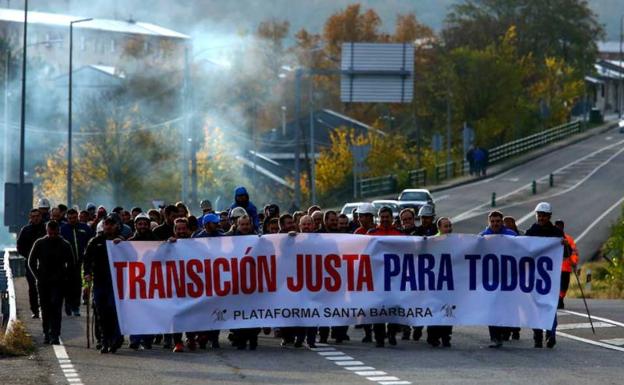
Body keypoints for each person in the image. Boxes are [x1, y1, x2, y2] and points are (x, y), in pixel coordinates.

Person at [525, 202, 570, 349]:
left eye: (544, 215)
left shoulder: (557, 233)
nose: (541, 218)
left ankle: (551, 334)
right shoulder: (531, 231)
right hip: (534, 276)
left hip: (551, 277)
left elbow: (565, 254)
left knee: (550, 306)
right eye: (539, 215)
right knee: (535, 307)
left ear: (549, 216)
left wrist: (565, 245)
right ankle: (537, 336)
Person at [28, 220, 74, 345]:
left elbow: (71, 263)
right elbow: (31, 262)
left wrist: (66, 277)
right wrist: (38, 276)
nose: (52, 236)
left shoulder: (65, 244)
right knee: (45, 307)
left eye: (54, 233)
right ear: (47, 231)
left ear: (58, 231)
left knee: (56, 307)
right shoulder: (40, 243)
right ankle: (46, 332)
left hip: (59, 282)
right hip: (43, 281)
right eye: (50, 233)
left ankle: (55, 334)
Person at [84, 215, 123, 353]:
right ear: (103, 225)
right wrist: (87, 274)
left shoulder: (121, 241)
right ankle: (104, 340)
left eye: (112, 224)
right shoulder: (95, 241)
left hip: (116, 284)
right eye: (107, 224)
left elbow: (133, 256)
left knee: (113, 311)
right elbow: (87, 260)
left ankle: (115, 339)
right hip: (99, 282)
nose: (109, 227)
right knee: (101, 312)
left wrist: (122, 244)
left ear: (117, 226)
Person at [479, 210, 517, 348]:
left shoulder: (511, 235)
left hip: (508, 278)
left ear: (502, 222)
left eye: (498, 221)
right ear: (489, 222)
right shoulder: (482, 236)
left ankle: (505, 332)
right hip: (490, 279)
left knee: (506, 307)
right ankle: (494, 336)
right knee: (492, 307)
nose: (495, 224)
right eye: (492, 221)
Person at [368, 207, 403, 348]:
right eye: (382, 217)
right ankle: (379, 337)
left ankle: (392, 333)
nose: (384, 219)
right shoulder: (372, 234)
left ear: (392, 217)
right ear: (379, 218)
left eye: (387, 217)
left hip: (395, 278)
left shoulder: (400, 234)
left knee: (394, 307)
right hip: (377, 278)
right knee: (378, 308)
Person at [123, 213, 157, 350]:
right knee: (135, 311)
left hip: (152, 282)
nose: (142, 227)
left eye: (145, 224)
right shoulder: (129, 242)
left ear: (149, 225)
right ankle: (135, 339)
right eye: (140, 224)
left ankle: (148, 338)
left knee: (150, 311)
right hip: (135, 282)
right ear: (136, 225)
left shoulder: (156, 241)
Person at [228, 215, 262, 350]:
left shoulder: (259, 239)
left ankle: (253, 339)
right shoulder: (230, 240)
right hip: (238, 282)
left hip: (254, 283)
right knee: (239, 313)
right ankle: (240, 339)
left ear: (251, 224)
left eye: (247, 224)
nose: (245, 227)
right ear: (237, 225)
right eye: (242, 224)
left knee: (253, 312)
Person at [409, 204, 438, 341]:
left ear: (432, 218)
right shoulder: (416, 232)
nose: (425, 220)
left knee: (434, 304)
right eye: (423, 218)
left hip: (435, 274)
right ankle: (418, 327)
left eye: (427, 218)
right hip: (419, 273)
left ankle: (432, 335)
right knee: (419, 303)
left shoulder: (438, 232)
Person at [60, 208, 94, 316]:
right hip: (66, 263)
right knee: (66, 285)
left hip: (80, 261)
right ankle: (68, 305)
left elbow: (91, 242)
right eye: (70, 218)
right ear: (67, 218)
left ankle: (76, 307)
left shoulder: (84, 228)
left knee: (77, 284)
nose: (72, 220)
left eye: (74, 218)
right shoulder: (63, 229)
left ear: (77, 217)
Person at [426, 217, 454, 347]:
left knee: (448, 311)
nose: (448, 229)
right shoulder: (433, 241)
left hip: (449, 283)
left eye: (449, 226)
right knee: (436, 309)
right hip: (435, 282)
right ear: (439, 228)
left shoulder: (456, 241)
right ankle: (433, 336)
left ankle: (446, 336)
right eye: (445, 226)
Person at [16, 209, 46, 319]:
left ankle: (44, 308)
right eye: (33, 216)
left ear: (41, 217)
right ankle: (35, 310)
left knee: (45, 286)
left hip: (45, 263)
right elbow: (19, 247)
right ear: (30, 217)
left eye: (37, 216)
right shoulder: (26, 230)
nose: (36, 218)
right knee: (32, 287)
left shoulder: (46, 229)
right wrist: (29, 256)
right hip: (30, 263)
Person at [554, 220, 579, 309]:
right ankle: (557, 300)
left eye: (560, 226)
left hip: (565, 267)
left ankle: (560, 299)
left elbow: (574, 252)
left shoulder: (568, 239)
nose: (559, 227)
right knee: (556, 285)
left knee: (564, 285)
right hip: (554, 268)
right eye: (557, 226)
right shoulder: (550, 238)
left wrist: (574, 262)